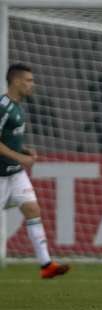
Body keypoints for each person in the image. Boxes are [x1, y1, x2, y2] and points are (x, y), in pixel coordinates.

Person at [0, 64, 70, 279]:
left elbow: (7, 139)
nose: (33, 84)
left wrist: (23, 149)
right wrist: (20, 157)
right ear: (16, 81)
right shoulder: (3, 107)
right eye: (29, 80)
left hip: (15, 173)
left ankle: (46, 264)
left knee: (32, 209)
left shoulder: (19, 107)